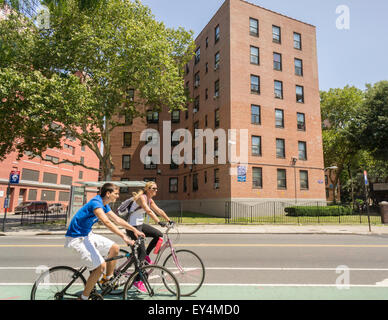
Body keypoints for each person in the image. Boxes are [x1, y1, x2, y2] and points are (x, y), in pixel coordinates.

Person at [64, 183, 145, 300]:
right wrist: (124, 236)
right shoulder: (96, 203)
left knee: (114, 248)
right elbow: (107, 222)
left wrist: (133, 229)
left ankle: (106, 280)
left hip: (87, 235)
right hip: (76, 238)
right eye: (116, 194)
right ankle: (83, 297)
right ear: (108, 193)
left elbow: (117, 219)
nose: (117, 196)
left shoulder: (104, 204)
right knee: (100, 266)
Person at [118, 181, 174, 292]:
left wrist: (169, 220)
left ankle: (145, 256)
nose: (156, 190)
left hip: (140, 225)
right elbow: (148, 211)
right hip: (132, 228)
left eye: (156, 188)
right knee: (141, 255)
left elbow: (158, 210)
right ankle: (137, 281)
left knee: (158, 235)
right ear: (147, 189)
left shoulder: (149, 200)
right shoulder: (142, 198)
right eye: (153, 188)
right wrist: (159, 222)